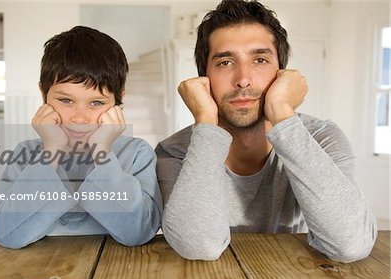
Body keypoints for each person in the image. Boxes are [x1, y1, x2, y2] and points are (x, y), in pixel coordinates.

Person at [156, 0, 376, 262]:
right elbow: (198, 246)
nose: (243, 79)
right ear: (204, 78)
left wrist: (283, 113)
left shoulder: (321, 138)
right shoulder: (174, 151)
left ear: (282, 74)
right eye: (225, 62)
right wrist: (205, 119)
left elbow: (350, 244)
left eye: (260, 59)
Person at [0, 26, 162, 249]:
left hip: (113, 274)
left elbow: (137, 233)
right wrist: (50, 151)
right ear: (44, 94)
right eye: (66, 101)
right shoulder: (26, 154)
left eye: (97, 103)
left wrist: (102, 152)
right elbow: (7, 234)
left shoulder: (137, 153)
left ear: (118, 101)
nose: (79, 118)